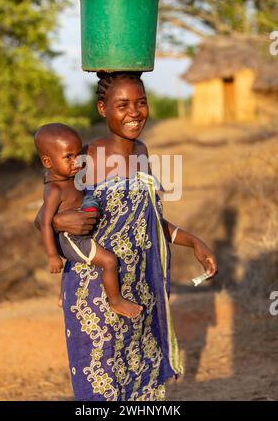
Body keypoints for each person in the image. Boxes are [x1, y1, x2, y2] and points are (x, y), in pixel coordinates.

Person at [35, 72, 218, 401]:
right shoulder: (85, 157)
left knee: (140, 375)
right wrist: (63, 221)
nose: (134, 113)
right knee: (102, 382)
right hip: (95, 289)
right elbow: (44, 217)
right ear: (102, 109)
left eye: (141, 103)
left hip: (138, 287)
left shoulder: (142, 153)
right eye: (122, 105)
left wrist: (194, 242)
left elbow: (149, 221)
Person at [34, 123, 143, 318]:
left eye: (78, 155)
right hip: (70, 238)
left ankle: (62, 295)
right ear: (48, 162)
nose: (76, 162)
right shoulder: (55, 189)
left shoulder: (69, 178)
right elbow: (43, 222)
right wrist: (52, 255)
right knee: (109, 261)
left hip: (75, 234)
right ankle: (116, 301)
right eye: (69, 157)